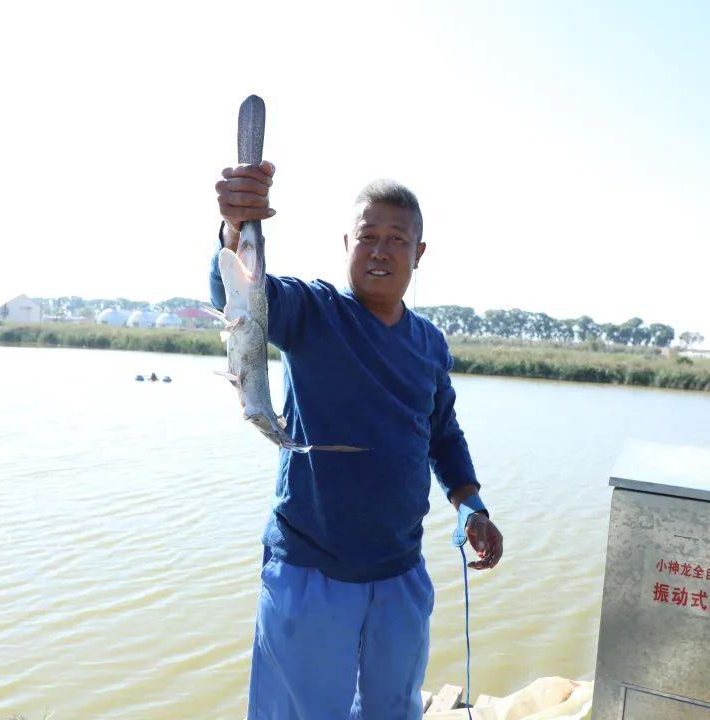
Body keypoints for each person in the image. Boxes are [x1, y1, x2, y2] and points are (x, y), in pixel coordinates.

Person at [210, 161, 504, 719]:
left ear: (419, 253)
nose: (380, 250)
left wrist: (472, 507)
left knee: (393, 709)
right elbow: (245, 297)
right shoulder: (313, 313)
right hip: (310, 572)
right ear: (346, 243)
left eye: (397, 239)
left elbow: (442, 433)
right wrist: (234, 229)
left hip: (400, 573)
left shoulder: (430, 345)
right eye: (367, 237)